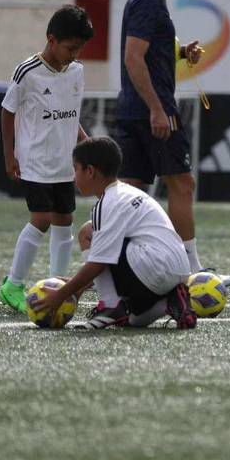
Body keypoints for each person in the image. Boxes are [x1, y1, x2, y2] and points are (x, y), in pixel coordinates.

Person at [31, 136, 197, 330]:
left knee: (88, 232)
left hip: (155, 267)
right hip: (177, 269)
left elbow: (99, 263)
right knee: (135, 320)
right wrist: (79, 288)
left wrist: (61, 295)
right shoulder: (127, 192)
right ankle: (170, 301)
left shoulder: (107, 203)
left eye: (75, 168)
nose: (73, 175)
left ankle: (109, 306)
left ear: (90, 171)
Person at [116, 0, 207, 275]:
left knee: (127, 196)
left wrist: (182, 54)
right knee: (183, 184)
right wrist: (157, 108)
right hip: (153, 111)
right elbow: (133, 58)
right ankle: (191, 269)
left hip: (133, 109)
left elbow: (149, 53)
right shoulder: (150, 1)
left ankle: (99, 255)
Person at [0, 5, 95, 314]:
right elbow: (7, 111)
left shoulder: (76, 71)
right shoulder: (27, 71)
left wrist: (85, 142)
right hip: (35, 160)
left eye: (79, 49)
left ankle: (57, 283)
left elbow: (71, 114)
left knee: (64, 220)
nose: (74, 54)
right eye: (70, 48)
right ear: (51, 39)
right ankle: (13, 284)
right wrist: (9, 154)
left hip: (65, 162)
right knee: (40, 220)